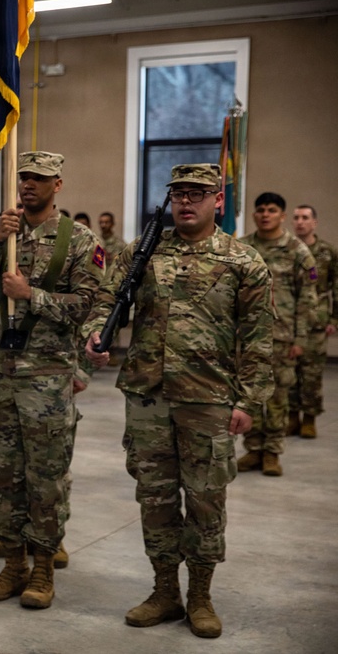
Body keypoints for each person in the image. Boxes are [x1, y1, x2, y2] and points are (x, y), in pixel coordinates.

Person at [84, 163, 273, 639]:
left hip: (208, 397)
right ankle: (165, 590)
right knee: (156, 498)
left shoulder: (242, 261)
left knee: (206, 501)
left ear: (217, 201)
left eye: (198, 193)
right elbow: (109, 298)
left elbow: (259, 338)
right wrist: (96, 332)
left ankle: (201, 595)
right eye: (179, 193)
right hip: (147, 393)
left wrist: (249, 400)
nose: (187, 201)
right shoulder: (143, 251)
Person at [0, 152, 104, 610]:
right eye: (23, 177)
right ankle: (12, 562)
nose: (28, 185)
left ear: (57, 184)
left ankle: (43, 567)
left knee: (45, 476)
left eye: (39, 178)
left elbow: (88, 304)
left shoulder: (78, 239)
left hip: (45, 375)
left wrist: (33, 296)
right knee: (0, 473)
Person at [238, 192, 317, 476]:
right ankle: (253, 449)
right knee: (249, 396)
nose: (265, 214)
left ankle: (272, 452)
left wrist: (300, 339)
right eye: (260, 210)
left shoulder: (297, 251)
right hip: (246, 338)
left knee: (278, 396)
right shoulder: (243, 248)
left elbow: (307, 299)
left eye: (271, 210)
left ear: (282, 215)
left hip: (281, 338)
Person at [289, 204, 336, 438]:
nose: (300, 222)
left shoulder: (327, 252)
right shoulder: (286, 249)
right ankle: (291, 417)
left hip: (316, 321)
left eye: (305, 218)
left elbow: (337, 287)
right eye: (296, 217)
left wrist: (335, 318)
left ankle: (309, 418)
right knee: (288, 373)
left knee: (311, 373)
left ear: (314, 222)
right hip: (289, 321)